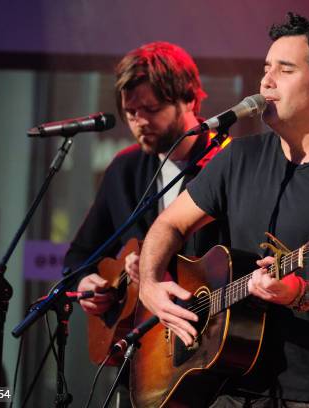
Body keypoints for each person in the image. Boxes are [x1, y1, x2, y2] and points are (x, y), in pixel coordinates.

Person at [138, 12, 309, 408]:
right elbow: (169, 223)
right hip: (224, 385)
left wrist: (300, 292)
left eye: (285, 69)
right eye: (266, 68)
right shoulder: (237, 158)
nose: (266, 81)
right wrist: (149, 283)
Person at [63, 42, 227, 406]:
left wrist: (156, 265)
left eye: (151, 109)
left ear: (189, 100)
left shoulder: (228, 165)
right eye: (130, 112)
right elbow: (80, 254)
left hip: (205, 361)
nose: (139, 122)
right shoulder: (125, 168)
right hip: (141, 359)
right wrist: (87, 280)